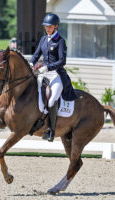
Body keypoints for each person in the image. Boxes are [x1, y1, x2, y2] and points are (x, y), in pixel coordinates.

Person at [30, 13, 77, 142]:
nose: (47, 29)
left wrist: (48, 67)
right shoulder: (43, 39)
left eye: (50, 27)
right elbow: (36, 54)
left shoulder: (60, 41)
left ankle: (51, 130)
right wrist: (31, 62)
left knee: (51, 101)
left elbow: (62, 61)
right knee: (32, 91)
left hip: (56, 74)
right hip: (43, 73)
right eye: (46, 26)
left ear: (56, 26)